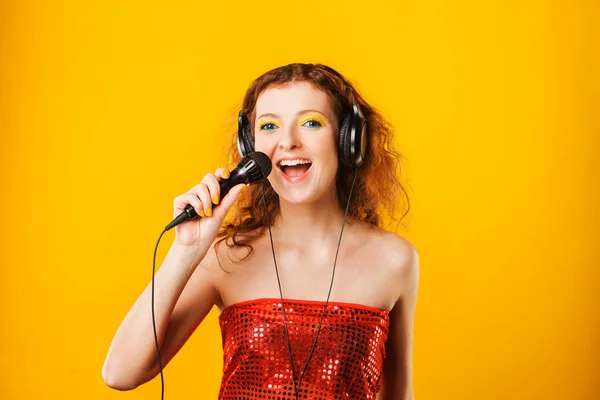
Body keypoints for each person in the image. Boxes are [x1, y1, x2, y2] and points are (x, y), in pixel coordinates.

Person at [102, 63, 420, 400]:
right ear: (250, 148)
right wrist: (187, 249)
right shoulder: (227, 256)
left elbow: (400, 394)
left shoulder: (395, 260)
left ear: (348, 140)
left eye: (311, 123)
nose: (288, 142)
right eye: (269, 126)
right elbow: (120, 373)